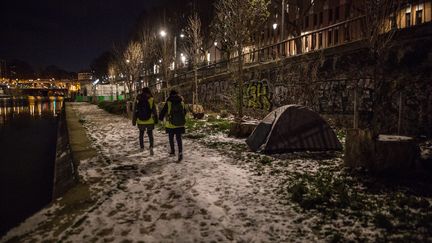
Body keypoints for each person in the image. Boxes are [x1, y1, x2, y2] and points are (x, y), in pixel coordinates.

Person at [159, 90, 187, 162]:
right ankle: (180, 153)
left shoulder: (168, 102)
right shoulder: (182, 102)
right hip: (180, 124)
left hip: (170, 124)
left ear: (170, 95)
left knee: (171, 138)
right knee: (179, 139)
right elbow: (185, 112)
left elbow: (163, 111)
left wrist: (160, 118)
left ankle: (173, 152)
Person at [133, 87, 158, 155]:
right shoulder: (151, 99)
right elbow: (154, 111)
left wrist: (134, 121)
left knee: (141, 134)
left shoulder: (138, 99)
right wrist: (156, 120)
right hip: (149, 120)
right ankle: (151, 147)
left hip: (140, 120)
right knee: (150, 134)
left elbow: (135, 111)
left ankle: (142, 147)